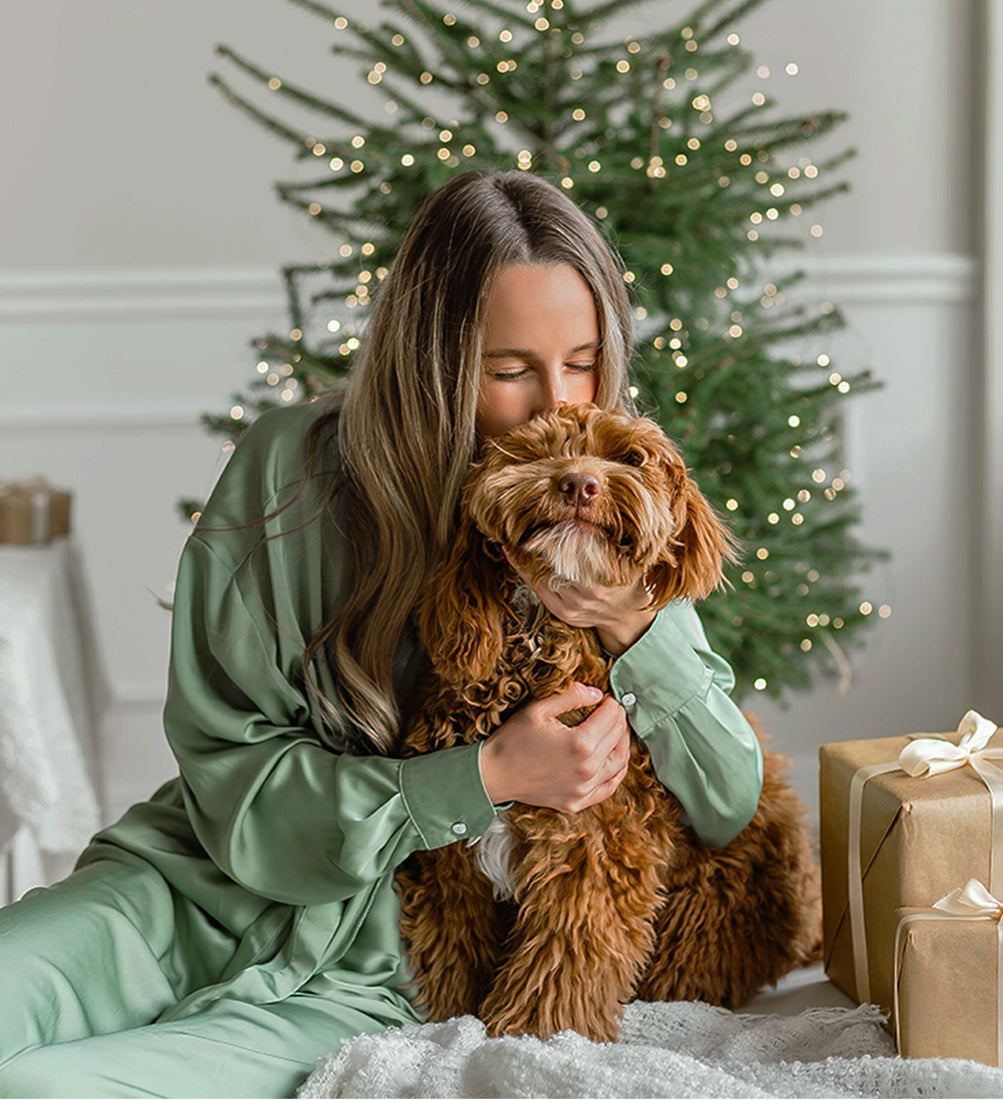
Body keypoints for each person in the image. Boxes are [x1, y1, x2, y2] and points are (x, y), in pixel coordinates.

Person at [0, 169, 764, 1098]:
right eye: (510, 370)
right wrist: (479, 778)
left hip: (380, 971)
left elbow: (727, 798)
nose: (558, 405)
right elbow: (230, 768)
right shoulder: (288, 473)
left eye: (584, 362)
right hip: (194, 890)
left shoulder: (596, 514)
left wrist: (638, 628)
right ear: (433, 362)